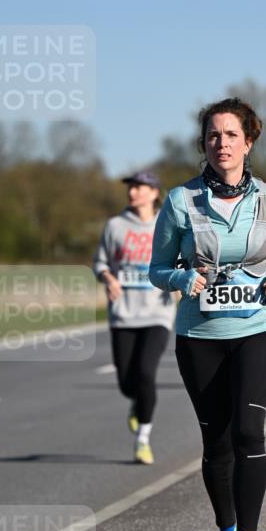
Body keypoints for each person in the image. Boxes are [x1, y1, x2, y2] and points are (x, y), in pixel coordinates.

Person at [149, 97, 266, 531]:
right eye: (213, 136)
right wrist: (179, 280)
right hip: (200, 334)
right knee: (216, 441)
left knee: (248, 431)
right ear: (204, 145)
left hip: (261, 326)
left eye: (231, 135)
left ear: (248, 141)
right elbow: (157, 268)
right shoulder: (179, 201)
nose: (222, 144)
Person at [93, 171, 175, 465]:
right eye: (130, 187)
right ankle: (136, 404)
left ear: (154, 192)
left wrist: (179, 279)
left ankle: (143, 438)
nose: (132, 192)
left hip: (157, 313)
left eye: (139, 187)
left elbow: (180, 259)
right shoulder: (114, 226)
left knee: (145, 373)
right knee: (128, 383)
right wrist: (108, 278)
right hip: (123, 313)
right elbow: (100, 262)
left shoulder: (166, 225)